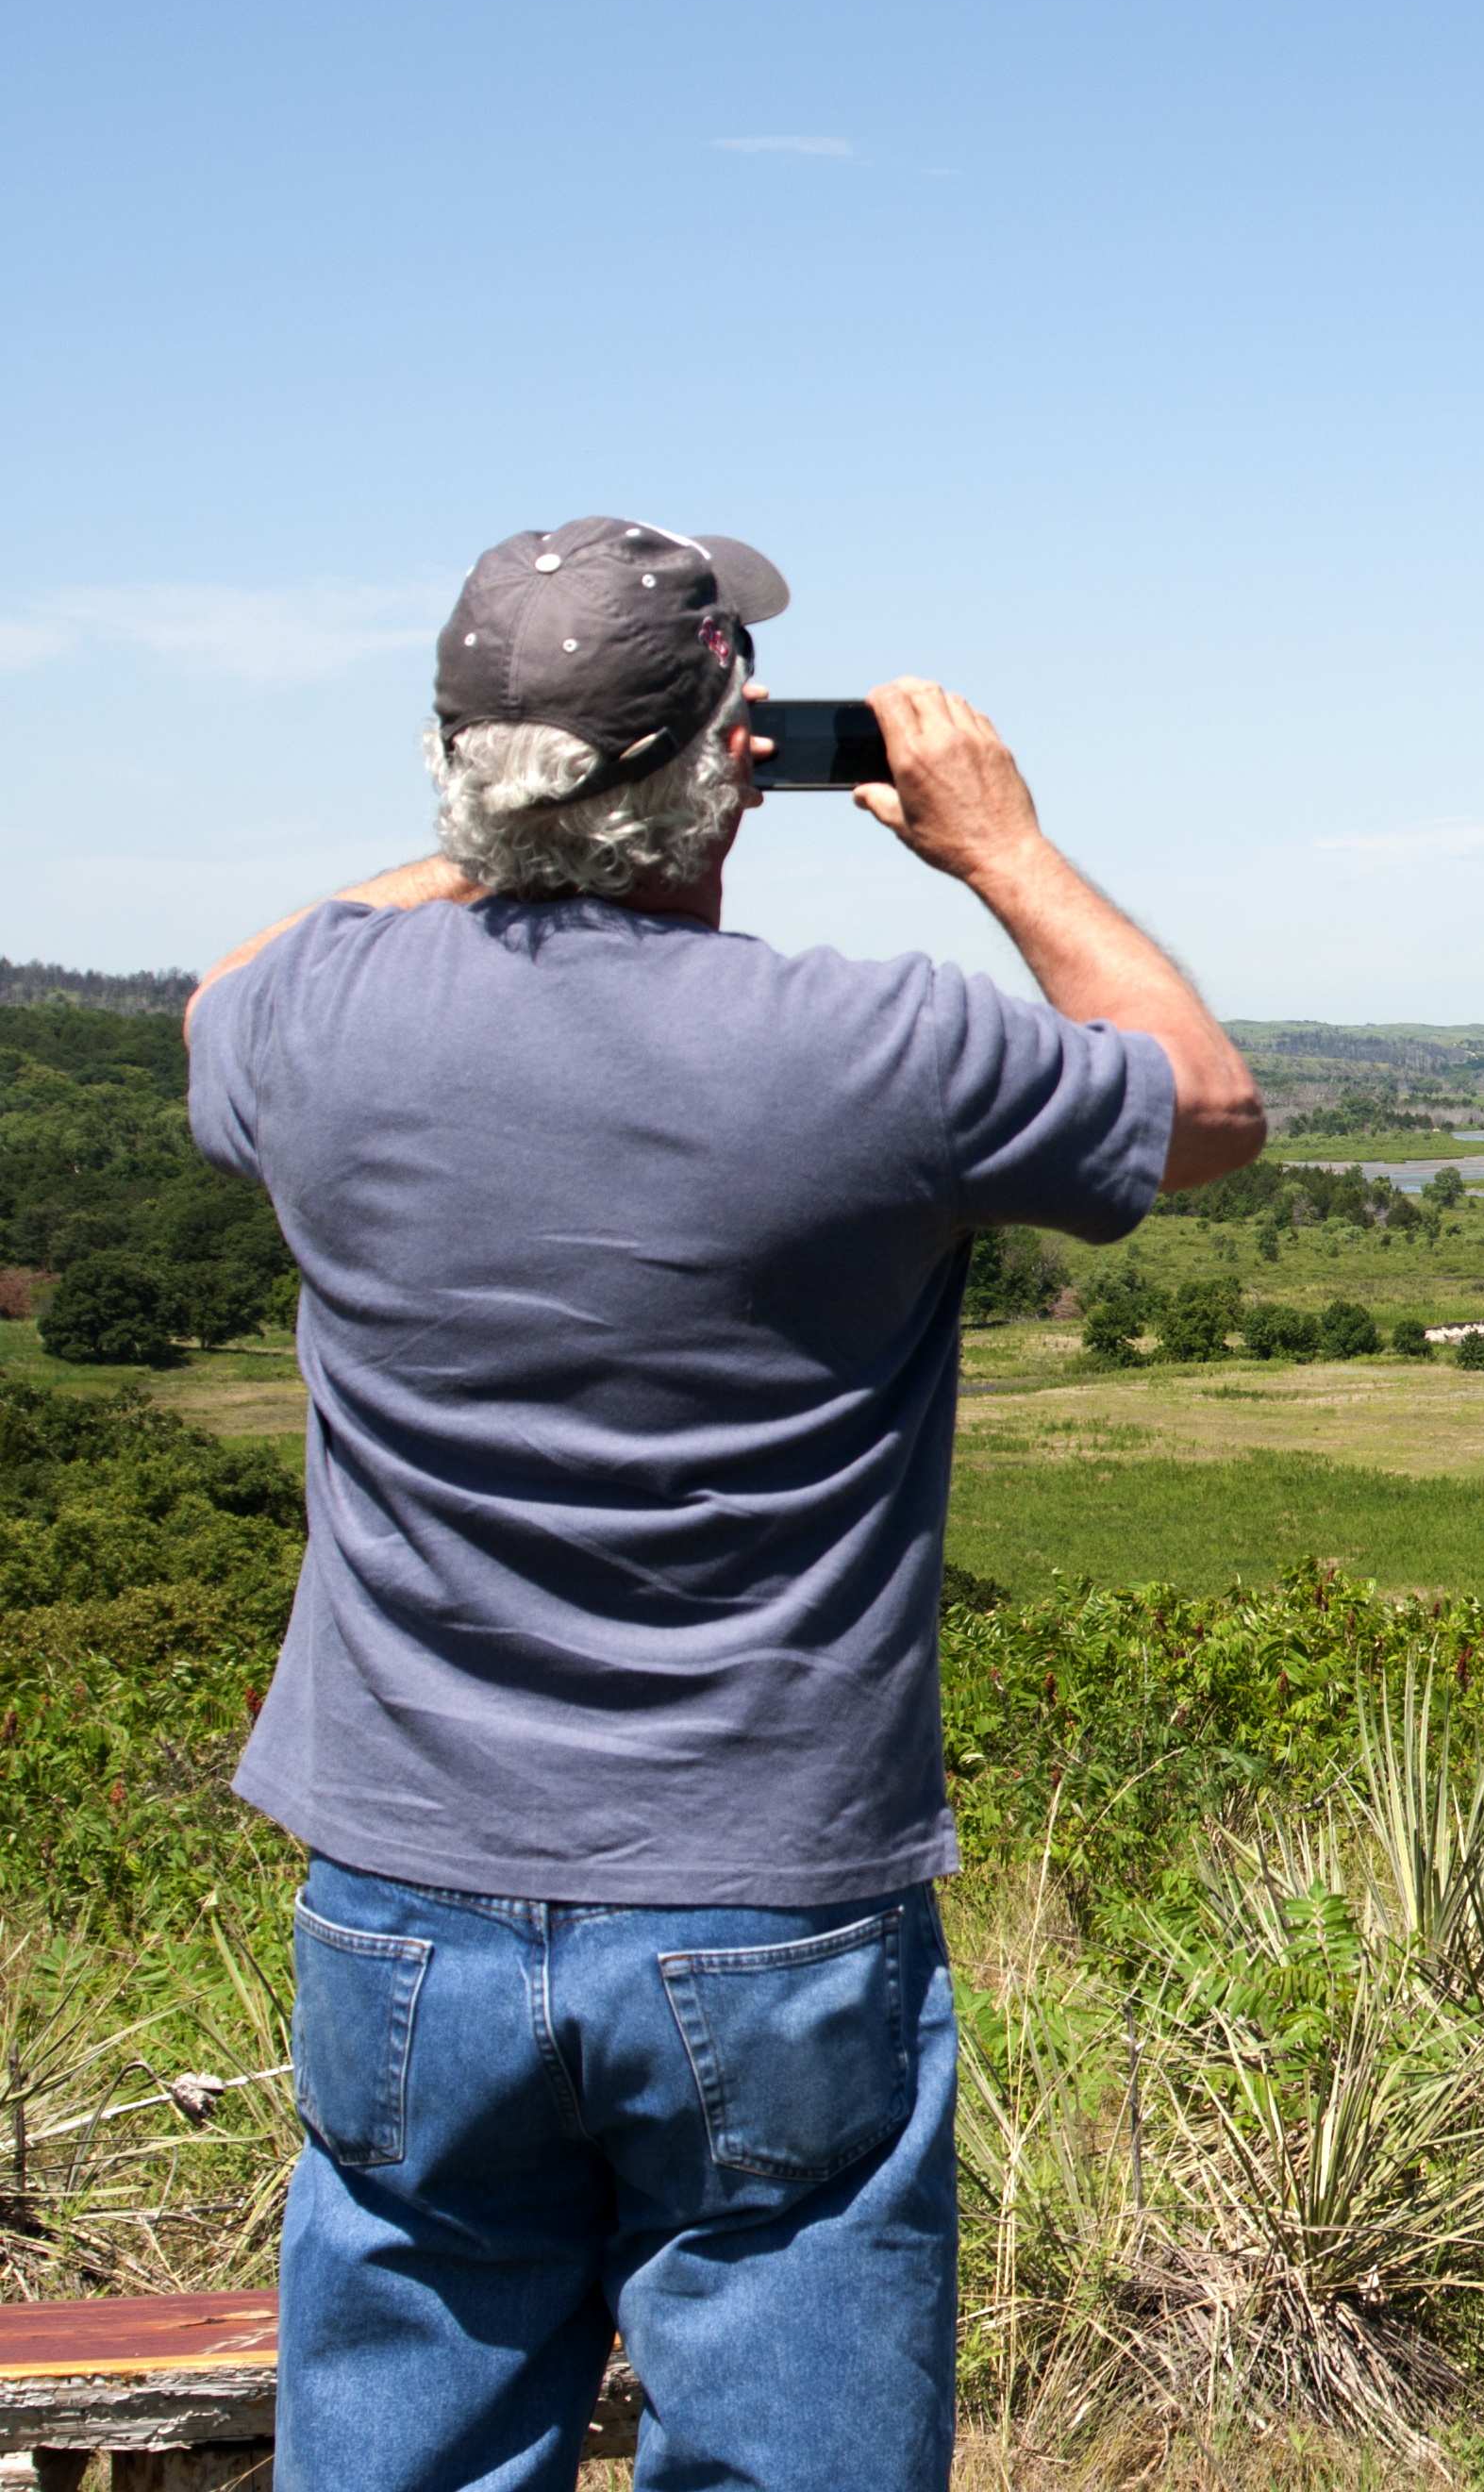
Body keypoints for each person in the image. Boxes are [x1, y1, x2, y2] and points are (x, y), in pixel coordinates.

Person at [183, 518, 1264, 2489]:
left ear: (455, 754)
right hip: (761, 1888)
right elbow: (1203, 1107)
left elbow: (221, 990)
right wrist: (1000, 846)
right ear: (732, 756)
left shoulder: (316, 1026)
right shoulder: (864, 1046)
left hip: (400, 1886)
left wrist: (507, 819)